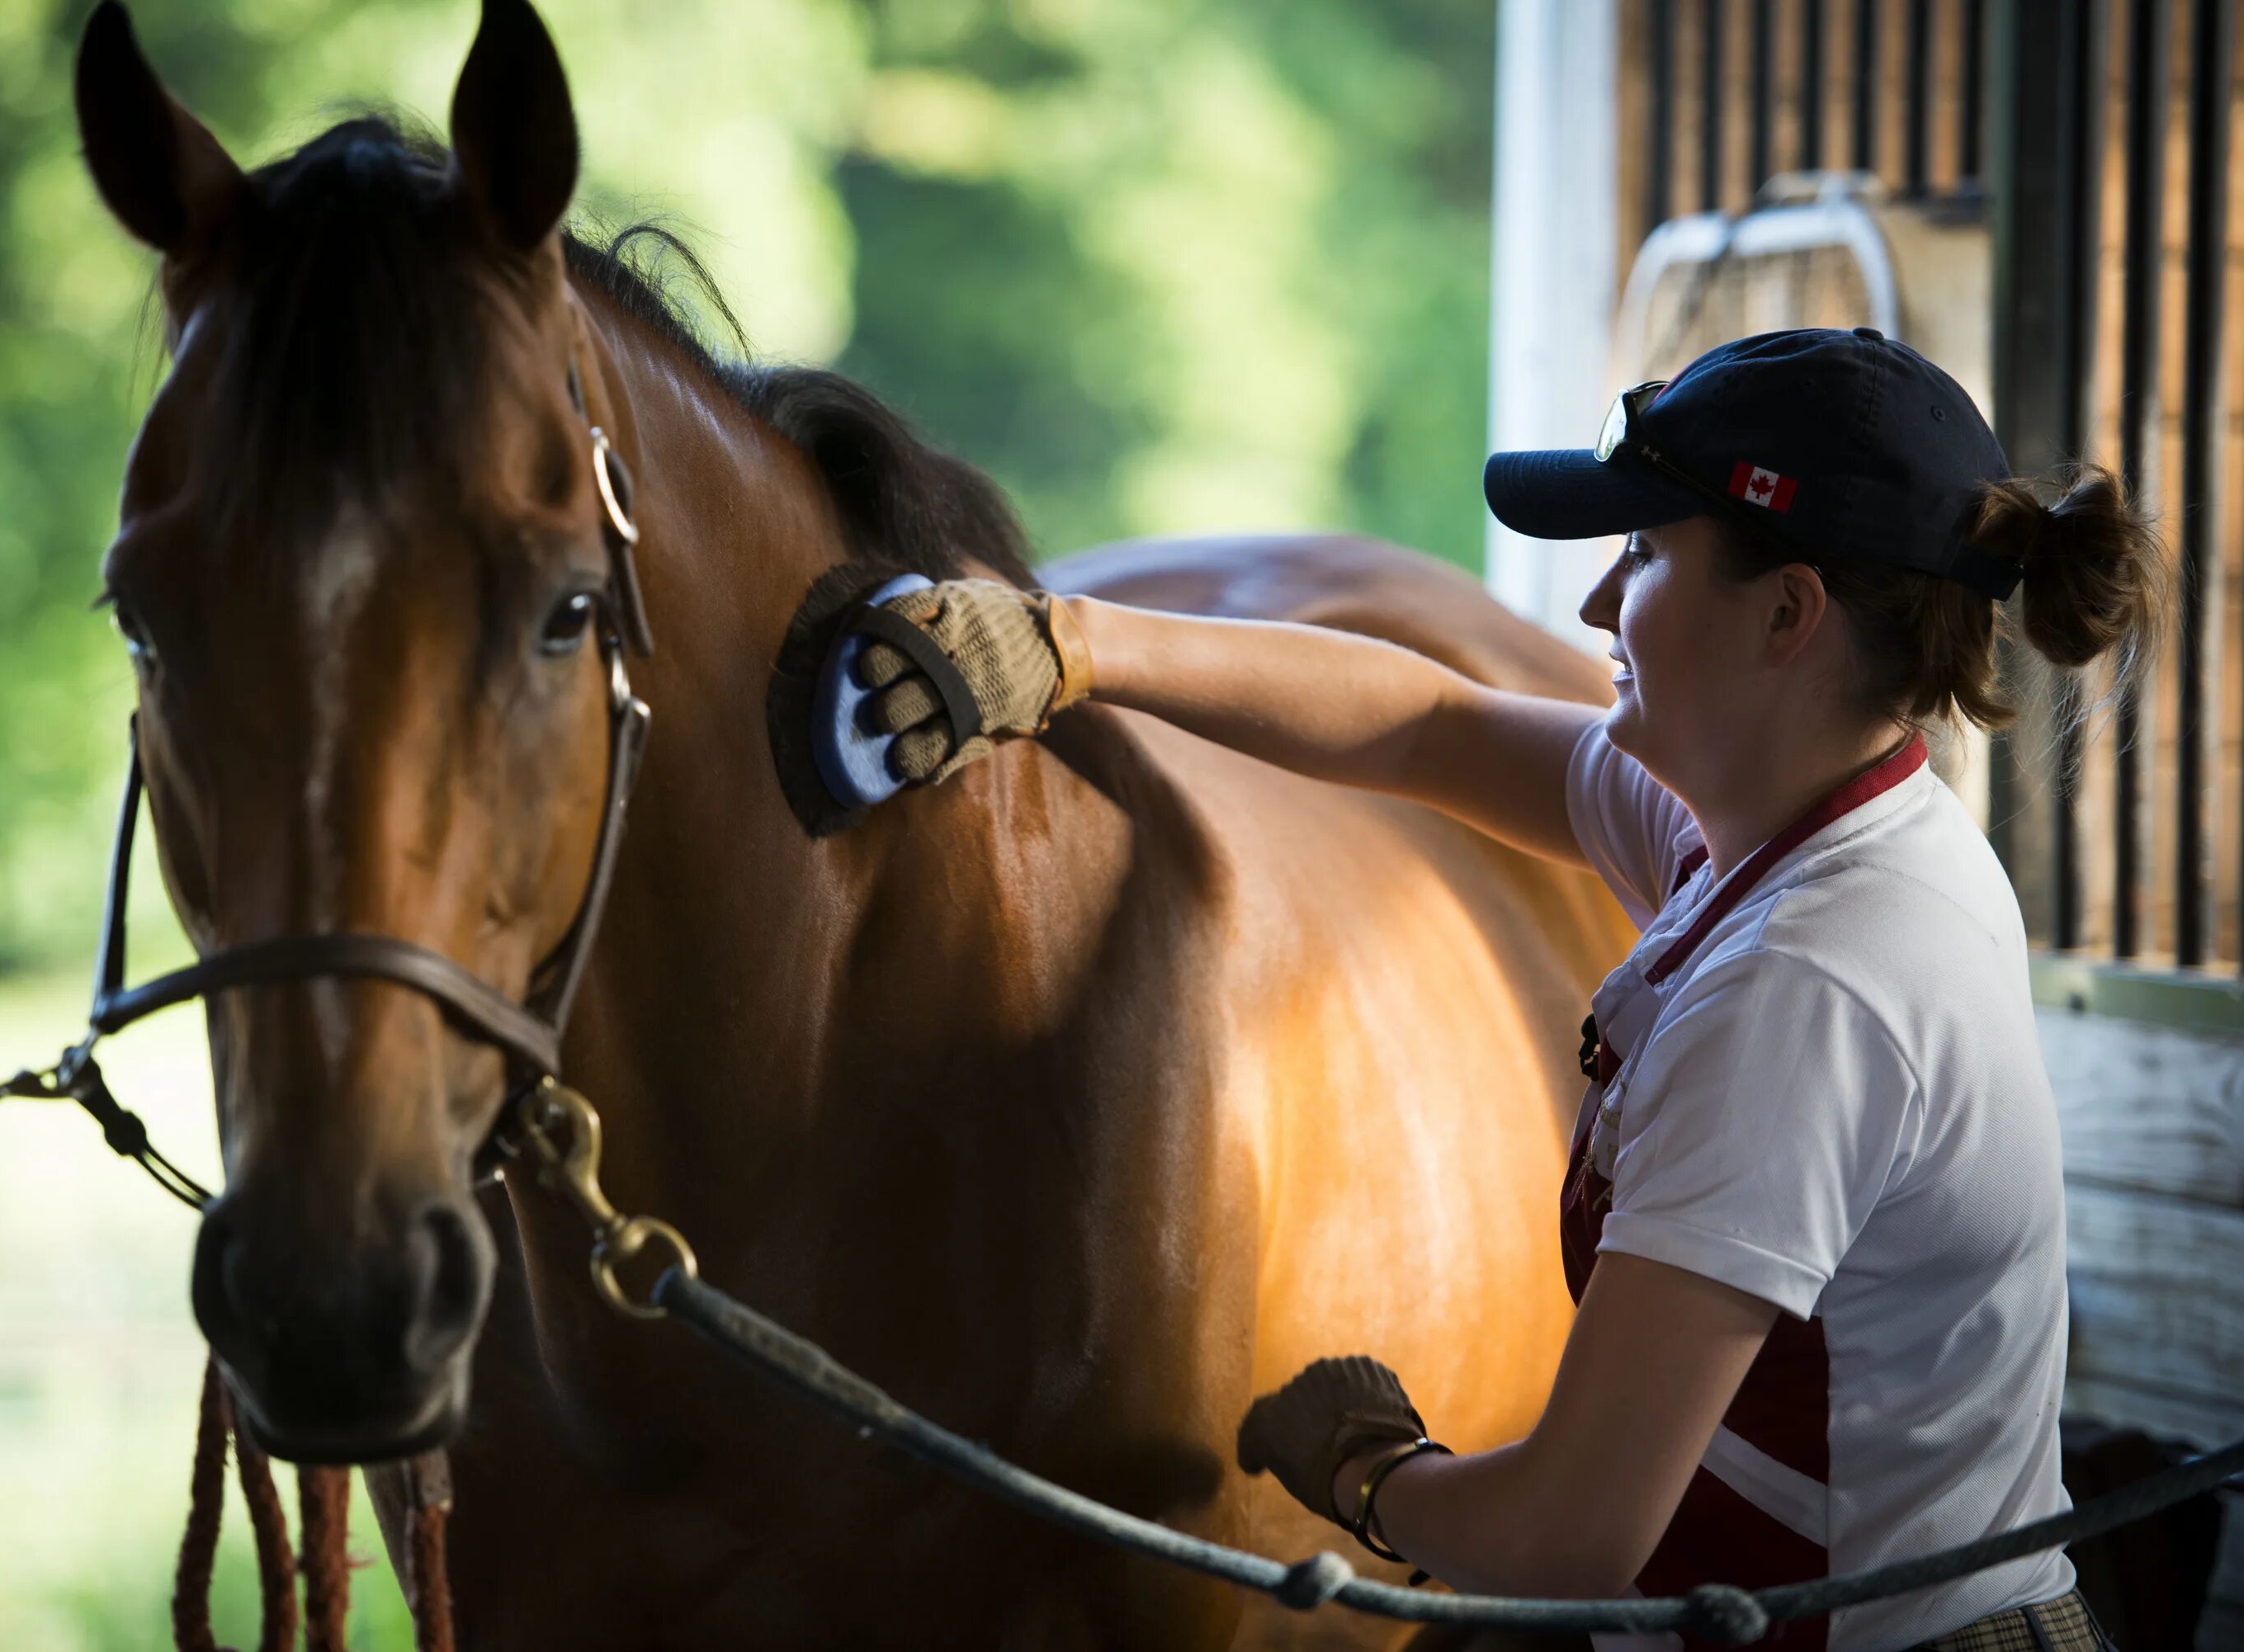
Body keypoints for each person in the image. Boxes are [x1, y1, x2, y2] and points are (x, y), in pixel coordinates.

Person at [843, 328, 2161, 1652]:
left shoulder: (1806, 988)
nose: (1597, 605)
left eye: (1644, 552)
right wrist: (1067, 643)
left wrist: (1367, 1470)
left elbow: (1567, 1534)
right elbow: (1433, 724)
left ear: (1788, 611)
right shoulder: (1797, 828)